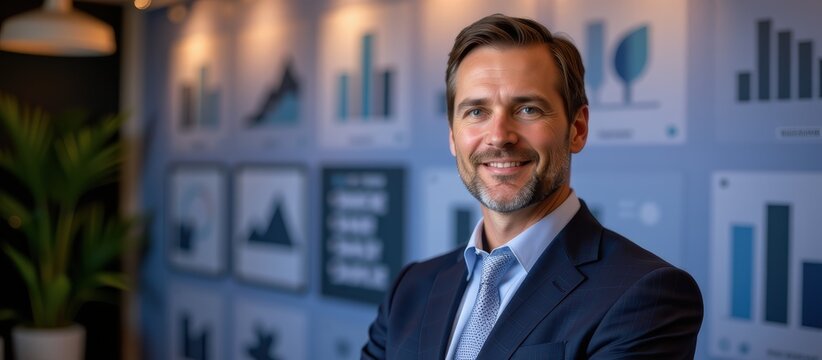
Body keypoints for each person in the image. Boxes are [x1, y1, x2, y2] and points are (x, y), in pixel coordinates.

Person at [361, 14, 703, 359]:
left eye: (527, 109)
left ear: (577, 129)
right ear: (453, 136)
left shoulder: (644, 295)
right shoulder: (411, 289)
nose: (499, 137)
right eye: (477, 112)